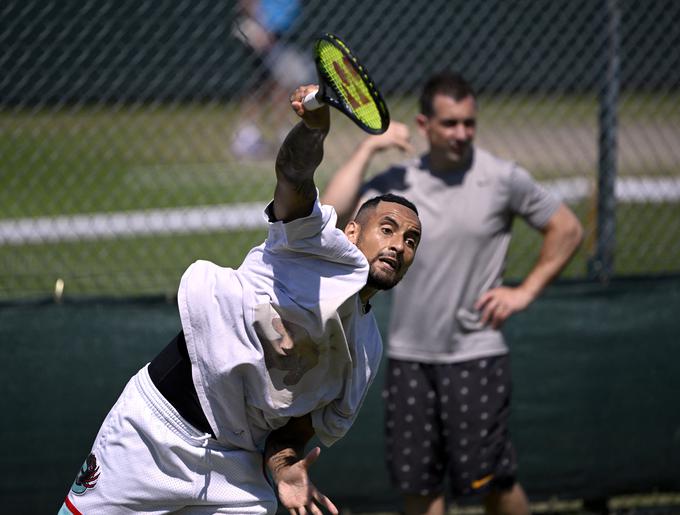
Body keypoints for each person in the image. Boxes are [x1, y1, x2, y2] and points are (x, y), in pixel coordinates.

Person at [58, 84, 422, 515]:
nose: (399, 244)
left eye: (411, 240)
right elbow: (292, 176)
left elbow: (293, 432)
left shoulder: (367, 352)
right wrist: (314, 127)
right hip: (156, 430)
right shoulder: (311, 245)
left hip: (237, 471)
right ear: (351, 233)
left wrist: (286, 468)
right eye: (388, 228)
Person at [321, 72, 583, 515]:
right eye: (449, 124)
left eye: (468, 123)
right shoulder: (398, 183)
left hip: (475, 358)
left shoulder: (502, 178)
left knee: (494, 482)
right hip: (408, 359)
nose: (461, 133)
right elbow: (332, 212)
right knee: (420, 488)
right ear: (424, 126)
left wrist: (524, 292)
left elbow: (568, 228)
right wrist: (368, 148)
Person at [230, 0, 315, 159]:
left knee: (278, 83)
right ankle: (247, 137)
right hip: (259, 30)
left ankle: (277, 135)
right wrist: (260, 25)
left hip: (279, 35)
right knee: (265, 83)